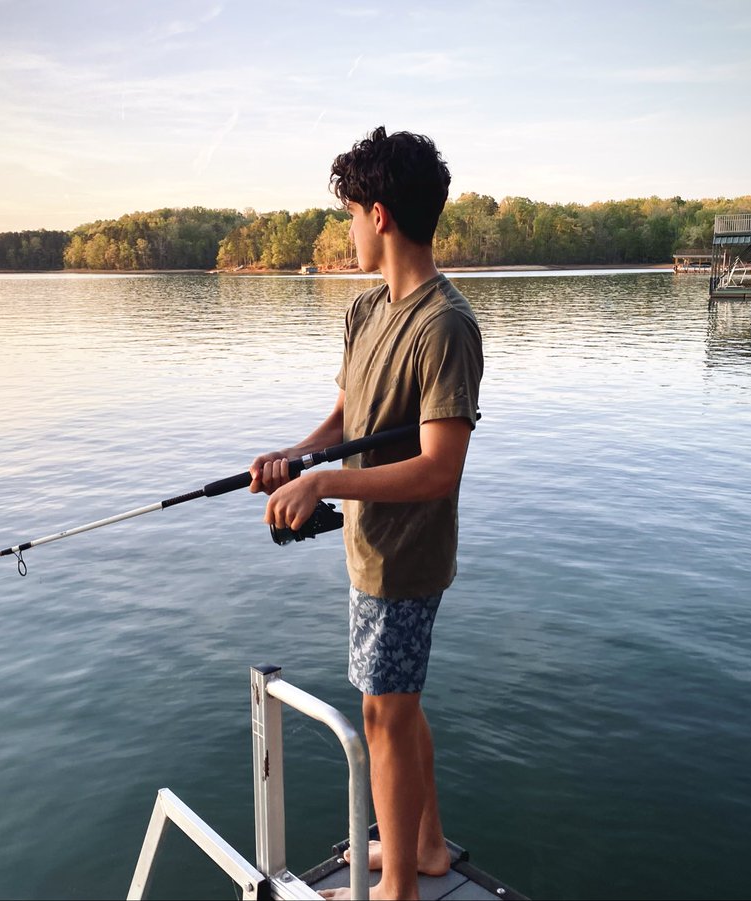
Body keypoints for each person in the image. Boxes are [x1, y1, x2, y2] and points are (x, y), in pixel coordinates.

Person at [249, 126, 483, 901]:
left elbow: (439, 468)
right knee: (399, 707)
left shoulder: (445, 326)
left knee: (384, 717)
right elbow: (348, 423)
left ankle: (400, 893)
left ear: (379, 214)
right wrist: (299, 457)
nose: (346, 229)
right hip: (367, 547)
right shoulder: (365, 311)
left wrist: (325, 488)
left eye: (349, 213)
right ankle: (427, 849)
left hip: (407, 558)